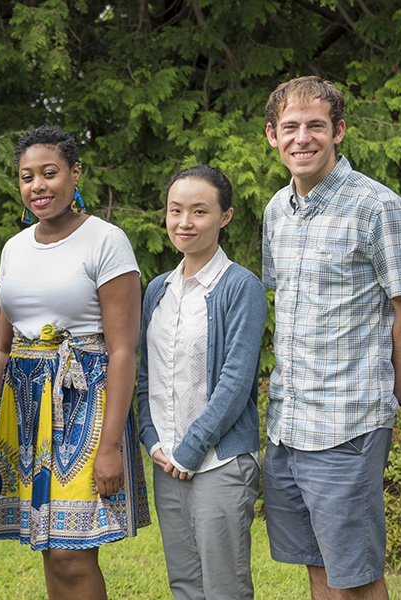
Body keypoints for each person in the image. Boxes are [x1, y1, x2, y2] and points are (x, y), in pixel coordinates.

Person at [259, 75, 401, 600]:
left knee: (356, 578)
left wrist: (387, 397)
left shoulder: (377, 207)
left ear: (339, 131)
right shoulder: (275, 212)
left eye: (316, 126)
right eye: (290, 127)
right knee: (317, 568)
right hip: (288, 424)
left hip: (348, 423)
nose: (302, 138)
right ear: (272, 135)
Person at [0, 125, 150, 600]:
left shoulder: (106, 240)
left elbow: (122, 349)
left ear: (76, 174)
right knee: (49, 546)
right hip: (24, 403)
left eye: (49, 173)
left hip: (84, 403)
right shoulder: (14, 248)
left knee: (72, 554)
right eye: (26, 176)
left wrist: (111, 444)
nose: (38, 186)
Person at [136, 165, 265, 600]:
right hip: (166, 461)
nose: (184, 222)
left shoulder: (240, 287)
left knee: (224, 588)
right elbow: (145, 374)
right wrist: (151, 437)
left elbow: (235, 381)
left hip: (219, 462)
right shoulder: (157, 289)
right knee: (186, 586)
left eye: (199, 211)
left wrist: (190, 449)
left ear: (224, 217)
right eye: (175, 210)